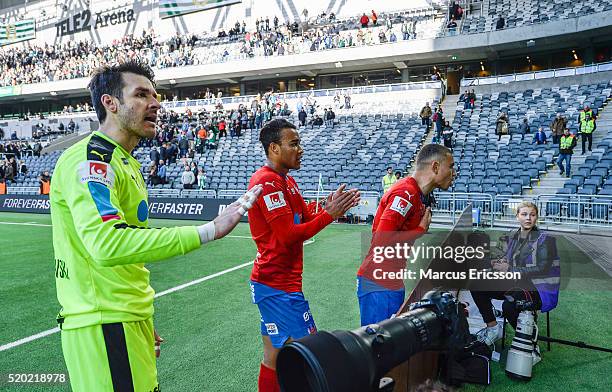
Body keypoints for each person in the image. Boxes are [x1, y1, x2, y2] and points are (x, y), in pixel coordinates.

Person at [51, 60, 263, 392]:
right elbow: (107, 244)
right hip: (103, 323)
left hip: (126, 319)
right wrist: (208, 230)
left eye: (155, 95)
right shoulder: (92, 160)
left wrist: (140, 315)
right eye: (141, 94)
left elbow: (128, 252)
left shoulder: (126, 161)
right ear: (110, 103)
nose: (155, 103)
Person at [247, 118, 360, 392]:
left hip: (275, 284)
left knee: (273, 358)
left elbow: (306, 215)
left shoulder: (286, 182)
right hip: (277, 288)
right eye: (294, 144)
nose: (301, 149)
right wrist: (330, 215)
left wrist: (326, 207)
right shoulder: (267, 183)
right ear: (274, 148)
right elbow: (288, 235)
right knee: (311, 356)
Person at [357, 144, 455, 326]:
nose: (454, 172)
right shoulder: (406, 193)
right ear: (435, 167)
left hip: (390, 280)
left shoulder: (417, 195)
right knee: (378, 347)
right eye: (450, 166)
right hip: (379, 283)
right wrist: (419, 231)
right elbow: (381, 240)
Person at [470, 201, 559, 366]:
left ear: (536, 217)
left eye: (532, 215)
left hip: (540, 289)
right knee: (476, 284)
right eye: (524, 214)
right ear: (517, 216)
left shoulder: (546, 240)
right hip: (517, 282)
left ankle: (531, 347)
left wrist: (509, 268)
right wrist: (495, 263)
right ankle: (492, 328)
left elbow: (542, 269)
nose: (528, 218)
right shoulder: (512, 235)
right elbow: (506, 259)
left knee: (510, 305)